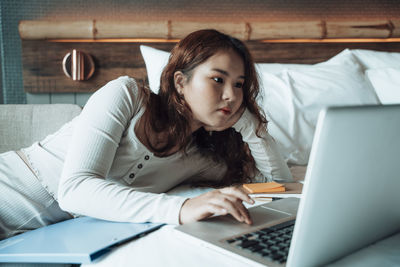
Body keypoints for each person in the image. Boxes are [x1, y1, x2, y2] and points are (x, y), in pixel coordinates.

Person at [0, 29, 292, 240]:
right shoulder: (126, 95)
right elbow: (76, 189)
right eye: (218, 79)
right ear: (180, 82)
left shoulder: (205, 158)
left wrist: (251, 128)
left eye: (239, 84)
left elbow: (278, 186)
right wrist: (182, 208)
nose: (231, 95)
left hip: (42, 239)